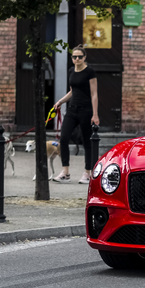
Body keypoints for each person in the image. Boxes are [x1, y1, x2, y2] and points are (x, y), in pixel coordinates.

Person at [52, 45, 99, 184]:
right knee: (64, 138)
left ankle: (87, 173)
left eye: (79, 56)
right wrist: (60, 101)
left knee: (86, 141)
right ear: (72, 58)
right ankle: (65, 172)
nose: (77, 59)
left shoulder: (90, 72)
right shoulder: (71, 71)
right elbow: (73, 91)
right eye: (74, 57)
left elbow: (94, 93)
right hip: (72, 110)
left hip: (86, 110)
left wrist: (95, 114)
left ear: (84, 58)